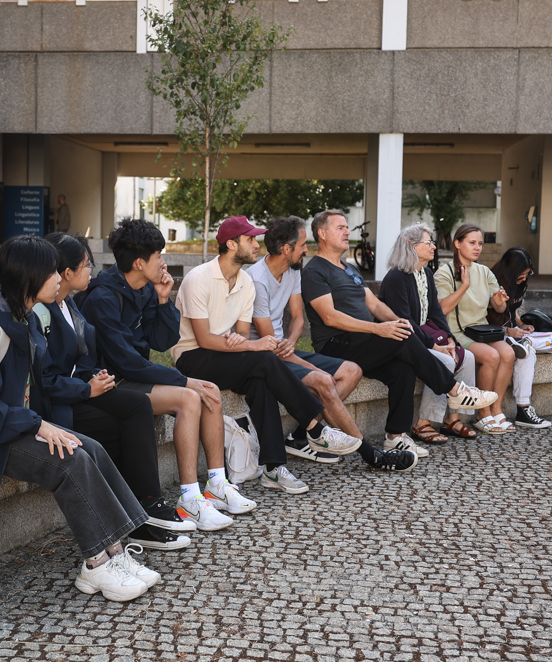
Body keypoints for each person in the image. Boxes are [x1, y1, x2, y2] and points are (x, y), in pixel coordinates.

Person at [0, 237, 155, 601]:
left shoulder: (25, 319)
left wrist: (49, 421)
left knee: (91, 448)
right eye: (52, 271)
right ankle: (96, 564)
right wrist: (38, 425)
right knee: (70, 461)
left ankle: (116, 551)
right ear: (30, 276)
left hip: (14, 425)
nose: (59, 278)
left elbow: (35, 390)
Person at [79, 218, 254, 530]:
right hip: (108, 386)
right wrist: (185, 379)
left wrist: (162, 300)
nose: (163, 261)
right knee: (190, 396)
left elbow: (161, 340)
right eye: (158, 255)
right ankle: (189, 498)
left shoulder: (145, 289)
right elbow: (126, 362)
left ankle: (216, 482)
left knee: (209, 390)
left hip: (131, 378)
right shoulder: (102, 298)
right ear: (139, 262)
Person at [38, 231, 192, 552]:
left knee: (135, 408)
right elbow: (45, 379)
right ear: (66, 273)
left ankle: (144, 509)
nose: (91, 270)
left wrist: (96, 377)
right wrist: (87, 387)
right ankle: (141, 513)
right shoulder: (47, 312)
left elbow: (87, 359)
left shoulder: (69, 305)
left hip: (83, 391)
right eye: (86, 264)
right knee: (126, 420)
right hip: (60, 405)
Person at [303, 210, 495, 458]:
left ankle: (395, 437)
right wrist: (378, 328)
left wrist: (399, 322)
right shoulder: (315, 271)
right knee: (400, 338)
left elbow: (374, 305)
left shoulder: (348, 268)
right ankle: (454, 390)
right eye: (340, 227)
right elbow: (329, 316)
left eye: (346, 227)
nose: (347, 232)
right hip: (335, 344)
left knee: (402, 367)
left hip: (361, 342)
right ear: (322, 233)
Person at [172, 216, 343, 494]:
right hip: (192, 356)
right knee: (264, 358)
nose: (257, 244)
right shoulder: (198, 278)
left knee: (261, 382)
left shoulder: (245, 282)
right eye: (250, 239)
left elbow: (239, 334)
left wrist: (245, 342)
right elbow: (204, 339)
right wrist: (253, 345)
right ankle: (314, 427)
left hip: (224, 356)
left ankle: (274, 469)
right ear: (230, 244)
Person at [247, 216, 390, 463]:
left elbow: (298, 319)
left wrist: (291, 339)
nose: (306, 249)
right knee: (323, 380)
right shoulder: (256, 280)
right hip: (263, 354)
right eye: (303, 244)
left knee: (352, 371)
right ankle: (369, 454)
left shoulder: (292, 271)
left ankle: (301, 437)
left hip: (282, 348)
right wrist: (309, 365)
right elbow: (269, 344)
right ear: (286, 249)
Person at [378, 224, 484, 444]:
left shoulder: (425, 272)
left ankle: (454, 420)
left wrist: (450, 338)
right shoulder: (397, 277)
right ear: (412, 246)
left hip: (420, 335)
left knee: (468, 357)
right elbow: (405, 321)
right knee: (444, 360)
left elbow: (435, 311)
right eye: (429, 243)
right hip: (402, 341)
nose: (434, 247)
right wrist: (434, 346)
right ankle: (423, 423)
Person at [435, 224, 535, 433]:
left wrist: (500, 300)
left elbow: (499, 307)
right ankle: (482, 413)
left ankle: (495, 409)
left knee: (508, 353)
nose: (477, 248)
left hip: (480, 330)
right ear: (457, 244)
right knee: (491, 356)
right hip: (456, 331)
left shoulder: (484, 271)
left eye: (480, 243)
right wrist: (464, 285)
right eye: (472, 243)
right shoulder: (444, 272)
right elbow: (442, 308)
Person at [485, 245, 552, 429]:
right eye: (520, 275)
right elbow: (484, 321)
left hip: (514, 334)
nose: (523, 279)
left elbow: (512, 311)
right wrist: (508, 332)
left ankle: (523, 341)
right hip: (496, 335)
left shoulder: (517, 284)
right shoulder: (492, 282)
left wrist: (521, 325)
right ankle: (523, 409)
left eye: (526, 275)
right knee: (526, 352)